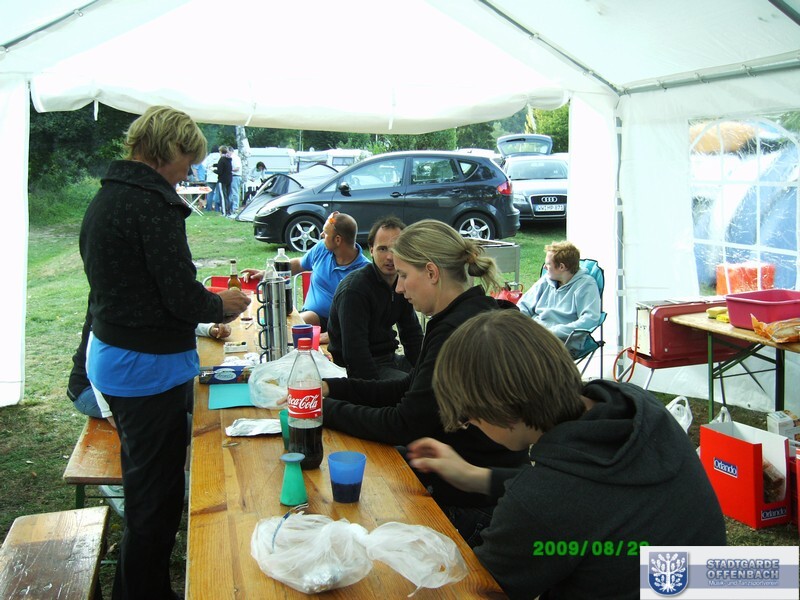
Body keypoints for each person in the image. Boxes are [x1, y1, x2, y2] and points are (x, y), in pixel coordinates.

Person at [408, 310, 727, 600]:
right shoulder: (637, 408)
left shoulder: (540, 503)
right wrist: (474, 476)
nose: (473, 428)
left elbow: (476, 591)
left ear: (502, 412)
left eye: (469, 420)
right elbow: (589, 495)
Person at [79, 105, 250, 600]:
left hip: (119, 358)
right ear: (167, 149)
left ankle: (144, 588)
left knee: (147, 490)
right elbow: (179, 295)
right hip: (144, 370)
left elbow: (141, 288)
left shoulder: (109, 196)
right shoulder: (151, 204)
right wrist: (220, 304)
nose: (189, 172)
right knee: (155, 502)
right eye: (187, 161)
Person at [320, 219, 528, 543]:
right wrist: (334, 388)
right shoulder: (466, 312)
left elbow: (404, 424)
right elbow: (410, 389)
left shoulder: (457, 330)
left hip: (472, 503)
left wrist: (324, 410)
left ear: (431, 272)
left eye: (403, 275)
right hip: (480, 484)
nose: (398, 288)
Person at [68, 308, 232, 424]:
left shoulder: (147, 294)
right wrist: (108, 412)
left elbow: (173, 319)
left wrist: (209, 329)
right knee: (182, 423)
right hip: (92, 390)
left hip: (138, 383)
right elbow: (95, 364)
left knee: (202, 392)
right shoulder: (111, 304)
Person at [326, 216, 423, 380]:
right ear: (371, 250)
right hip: (355, 368)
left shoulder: (401, 283)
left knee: (438, 378)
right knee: (415, 387)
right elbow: (355, 356)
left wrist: (425, 370)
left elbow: (412, 336)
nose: (390, 257)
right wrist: (378, 389)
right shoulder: (355, 289)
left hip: (389, 359)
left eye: (396, 249)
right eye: (382, 249)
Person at [242, 211, 369, 331]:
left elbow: (365, 317)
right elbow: (299, 264)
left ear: (338, 240)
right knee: (276, 324)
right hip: (310, 316)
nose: (321, 235)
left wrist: (332, 336)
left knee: (286, 327)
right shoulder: (322, 248)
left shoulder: (364, 271)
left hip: (343, 326)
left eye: (325, 233)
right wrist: (267, 273)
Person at [517, 240, 601, 355]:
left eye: (548, 264)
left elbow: (589, 319)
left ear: (561, 267)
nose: (545, 267)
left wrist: (552, 332)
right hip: (535, 335)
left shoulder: (585, 285)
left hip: (561, 342)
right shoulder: (546, 280)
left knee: (516, 354)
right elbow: (523, 307)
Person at [215, 145, 233, 215]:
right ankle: (228, 211)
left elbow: (220, 171)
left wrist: (213, 170)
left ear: (220, 151)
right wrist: (215, 165)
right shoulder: (229, 159)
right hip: (229, 179)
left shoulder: (221, 159)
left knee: (223, 196)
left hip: (222, 180)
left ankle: (224, 212)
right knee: (227, 196)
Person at [229, 147, 242, 214]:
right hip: (234, 176)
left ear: (230, 151)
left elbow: (237, 168)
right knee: (233, 192)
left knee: (234, 192)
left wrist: (229, 169)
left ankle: (235, 207)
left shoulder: (235, 158)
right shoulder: (234, 157)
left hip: (235, 176)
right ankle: (232, 207)